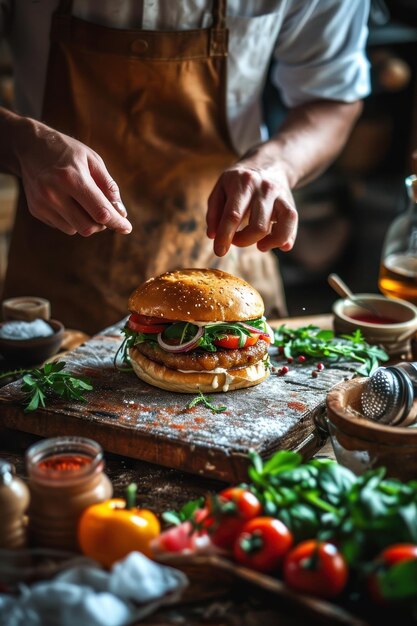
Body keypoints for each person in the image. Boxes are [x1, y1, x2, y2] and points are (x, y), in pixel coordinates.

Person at [0, 1, 370, 334]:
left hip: (226, 260)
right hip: (60, 263)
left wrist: (276, 165)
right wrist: (22, 143)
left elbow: (331, 96)